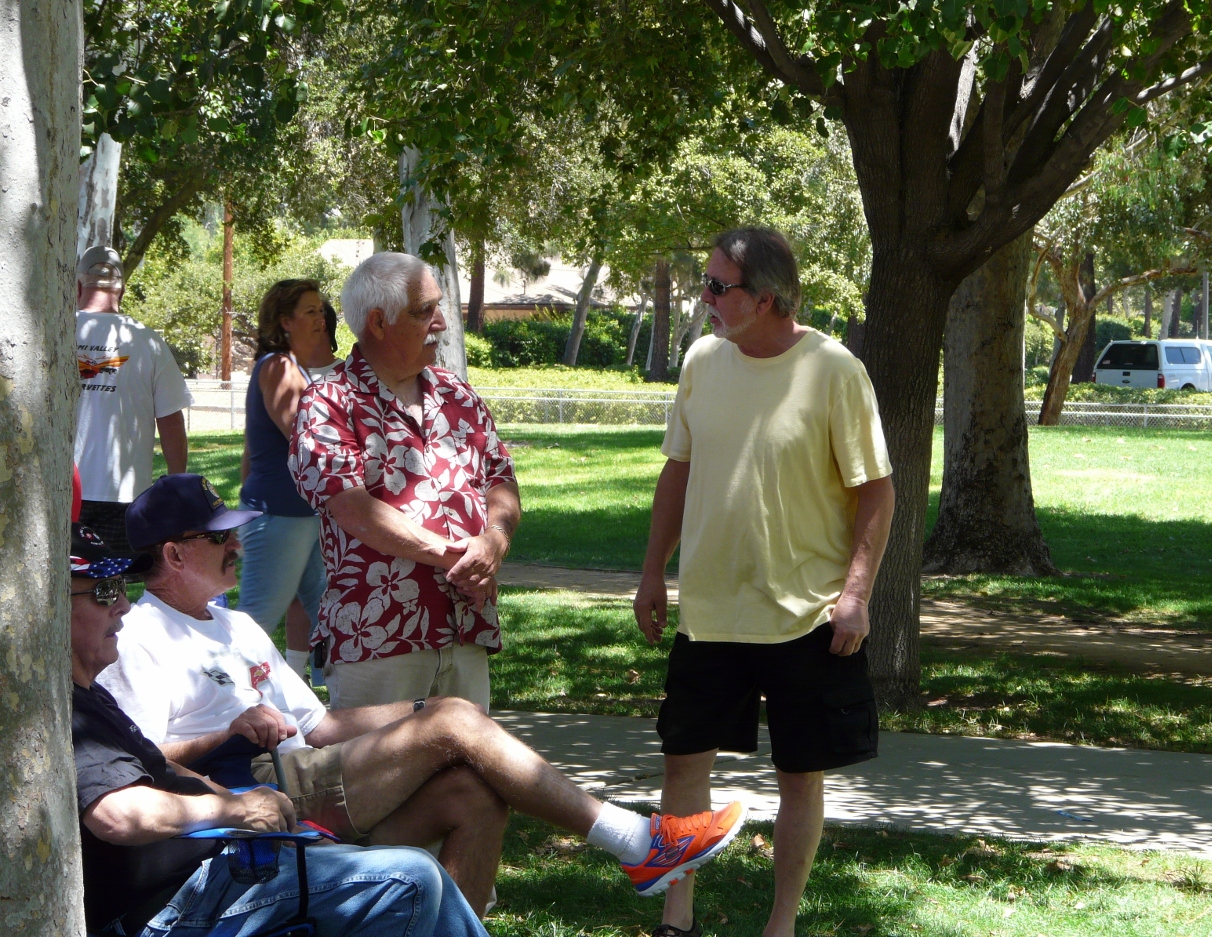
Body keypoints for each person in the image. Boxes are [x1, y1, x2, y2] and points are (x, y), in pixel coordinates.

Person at [99, 473, 747, 915]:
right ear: (175, 555)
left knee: (474, 792)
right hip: (253, 793)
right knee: (457, 723)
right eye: (220, 537)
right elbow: (145, 762)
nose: (238, 544)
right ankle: (638, 844)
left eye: (234, 531)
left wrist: (419, 714)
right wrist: (230, 730)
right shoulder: (140, 636)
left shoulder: (235, 624)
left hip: (309, 772)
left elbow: (320, 725)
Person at [633, 228, 896, 937]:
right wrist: (654, 571)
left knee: (798, 778)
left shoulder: (835, 369)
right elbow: (678, 472)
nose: (706, 297)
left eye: (720, 287)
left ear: (768, 299)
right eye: (706, 282)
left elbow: (876, 492)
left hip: (806, 617)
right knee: (682, 765)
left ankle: (780, 925)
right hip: (710, 612)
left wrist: (856, 596)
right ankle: (676, 919)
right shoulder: (701, 361)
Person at [68, 521, 490, 937]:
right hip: (177, 905)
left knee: (435, 844)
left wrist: (260, 809)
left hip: (227, 865)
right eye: (104, 591)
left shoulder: (93, 698)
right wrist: (233, 811)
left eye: (121, 587)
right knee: (410, 878)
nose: (122, 604)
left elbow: (163, 766)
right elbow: (117, 814)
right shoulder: (69, 712)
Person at [289, 251, 519, 712]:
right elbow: (352, 508)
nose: (441, 322)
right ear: (378, 323)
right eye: (424, 311)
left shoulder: (458, 393)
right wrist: (457, 557)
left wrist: (494, 540)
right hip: (380, 635)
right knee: (380, 780)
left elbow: (501, 479)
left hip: (466, 626)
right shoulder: (328, 402)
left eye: (439, 306)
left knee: (469, 778)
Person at [236, 280, 339, 683]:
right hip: (279, 515)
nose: (320, 318)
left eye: (320, 309)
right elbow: (309, 440)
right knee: (256, 621)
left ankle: (347, 703)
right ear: (285, 321)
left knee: (330, 610)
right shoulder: (279, 367)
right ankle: (222, 713)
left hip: (301, 515)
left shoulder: (289, 367)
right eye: (310, 311)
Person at [74, 245, 192, 556]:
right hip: (125, 495)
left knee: (62, 590)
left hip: (60, 491)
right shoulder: (148, 341)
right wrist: (177, 484)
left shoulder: (54, 334)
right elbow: (171, 420)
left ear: (77, 286)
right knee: (114, 593)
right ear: (122, 289)